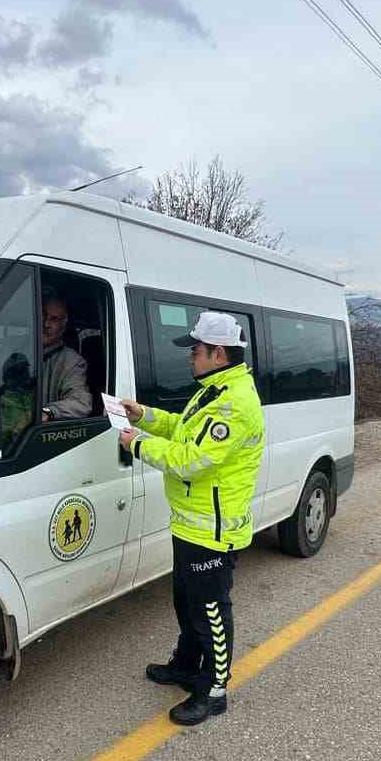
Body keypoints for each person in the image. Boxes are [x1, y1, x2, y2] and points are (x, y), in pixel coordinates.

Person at [118, 311, 264, 726]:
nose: (190, 357)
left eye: (195, 350)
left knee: (211, 610)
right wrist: (141, 415)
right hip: (191, 523)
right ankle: (186, 665)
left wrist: (137, 445)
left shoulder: (234, 404)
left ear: (218, 353)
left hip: (213, 531)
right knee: (186, 600)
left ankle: (214, 688)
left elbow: (190, 460)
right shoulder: (213, 390)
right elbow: (183, 431)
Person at [39, 291, 91, 420]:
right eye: (43, 315)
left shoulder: (72, 362)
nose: (46, 324)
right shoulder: (9, 346)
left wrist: (48, 412)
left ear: (63, 324)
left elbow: (80, 403)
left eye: (54, 319)